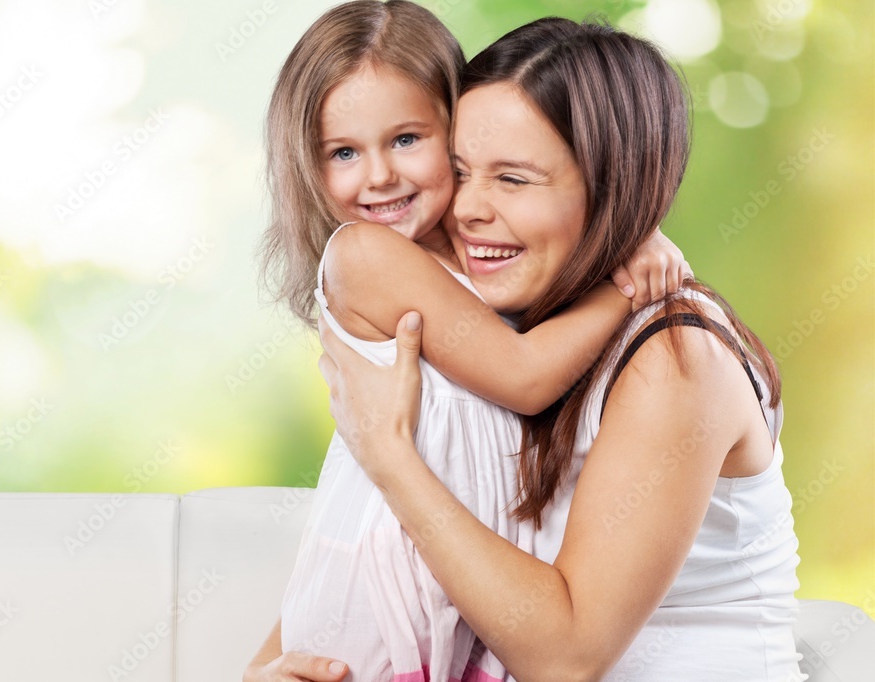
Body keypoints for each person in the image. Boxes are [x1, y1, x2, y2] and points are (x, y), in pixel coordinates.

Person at [312, 17, 803, 682]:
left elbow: (566, 659)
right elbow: (378, 536)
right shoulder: (512, 334)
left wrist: (390, 457)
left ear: (614, 189)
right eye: (460, 171)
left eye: (513, 179)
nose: (468, 209)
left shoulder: (675, 359)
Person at [251, 3, 690, 681]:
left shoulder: (475, 250)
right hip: (380, 618)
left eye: (406, 139)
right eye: (343, 152)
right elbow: (524, 376)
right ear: (307, 166)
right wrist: (627, 284)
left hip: (462, 617)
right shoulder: (364, 255)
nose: (379, 176)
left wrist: (629, 229)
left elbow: (560, 213)